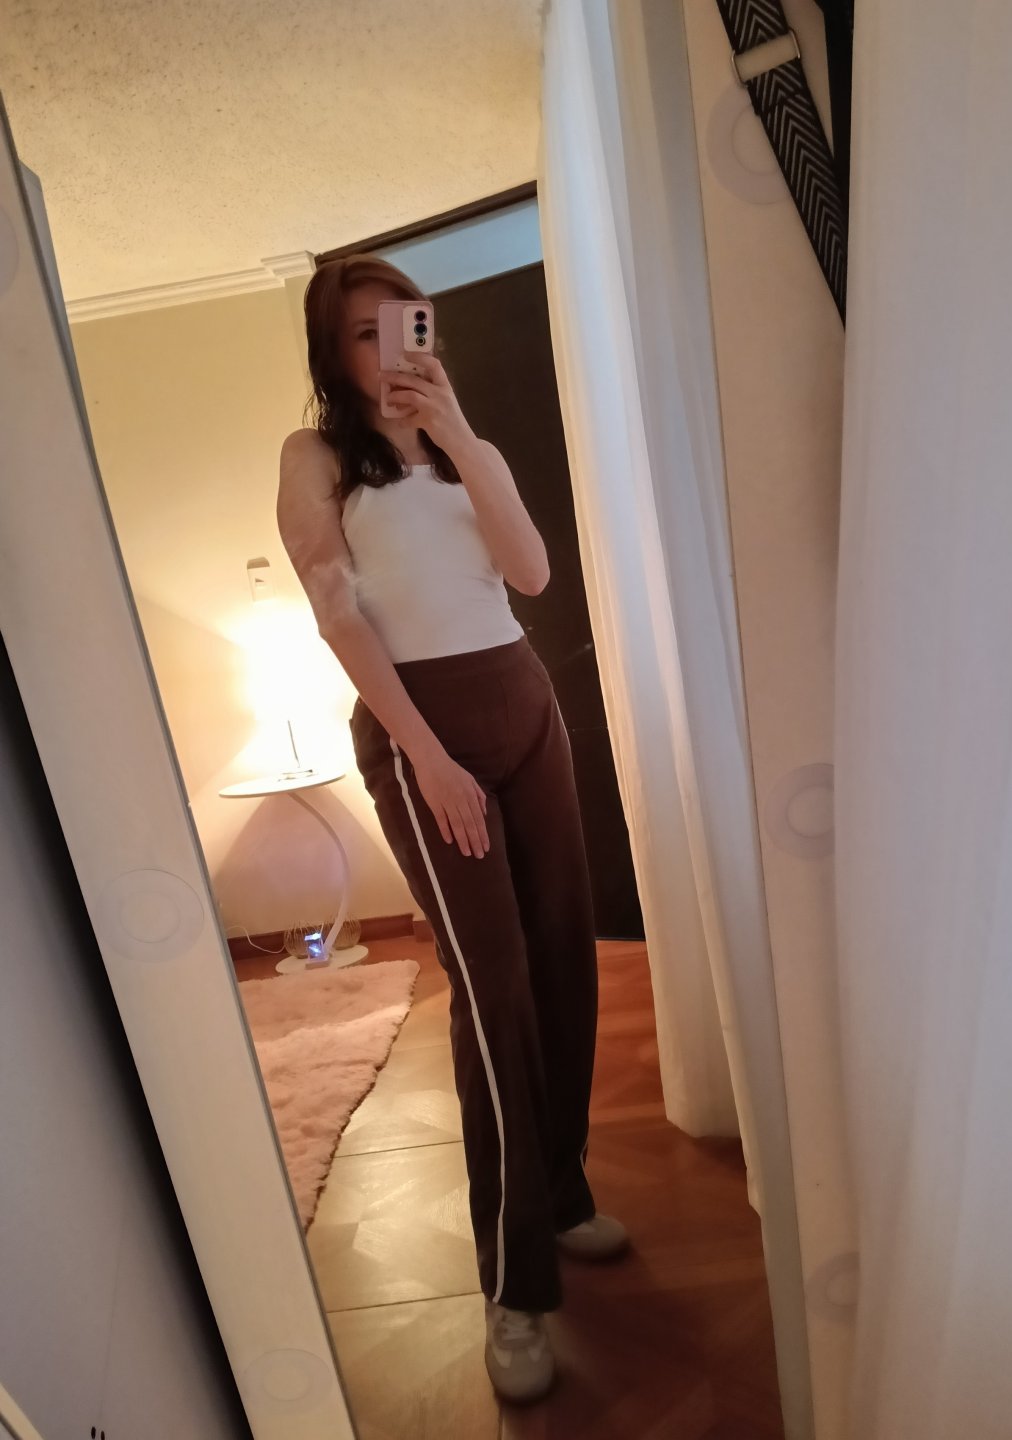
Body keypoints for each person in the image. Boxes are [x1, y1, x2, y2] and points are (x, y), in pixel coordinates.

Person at [276, 254, 630, 1404]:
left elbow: (529, 570)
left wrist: (460, 434)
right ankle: (512, 1287)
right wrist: (424, 755)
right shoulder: (316, 459)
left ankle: (559, 1191)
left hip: (525, 707)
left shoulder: (470, 451)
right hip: (423, 735)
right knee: (493, 995)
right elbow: (337, 611)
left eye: (404, 323)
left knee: (564, 959)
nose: (391, 346)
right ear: (332, 355)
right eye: (363, 332)